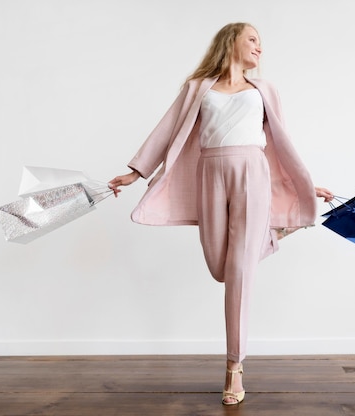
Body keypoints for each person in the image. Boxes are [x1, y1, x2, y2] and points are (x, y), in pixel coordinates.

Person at [108, 22, 333, 405]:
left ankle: (234, 367)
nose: (260, 48)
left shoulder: (265, 91)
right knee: (220, 266)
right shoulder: (198, 88)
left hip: (253, 171)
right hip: (210, 171)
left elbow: (281, 143)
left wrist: (303, 184)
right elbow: (166, 129)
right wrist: (136, 171)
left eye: (261, 42)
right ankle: (272, 234)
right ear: (231, 41)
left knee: (240, 274)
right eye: (253, 40)